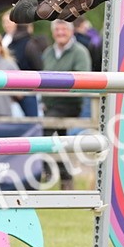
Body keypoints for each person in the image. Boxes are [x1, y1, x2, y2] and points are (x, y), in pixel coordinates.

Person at [40, 20, 92, 189]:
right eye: (57, 29)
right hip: (49, 104)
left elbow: (81, 79)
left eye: (64, 29)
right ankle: (65, 178)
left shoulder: (80, 52)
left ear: (71, 31)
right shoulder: (48, 52)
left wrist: (55, 86)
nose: (60, 32)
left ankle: (48, 170)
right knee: (58, 139)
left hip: (70, 103)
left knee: (47, 130)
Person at [3, 10, 46, 118]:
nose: (7, 24)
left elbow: (37, 66)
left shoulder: (21, 43)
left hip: (19, 86)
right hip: (18, 86)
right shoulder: (6, 40)